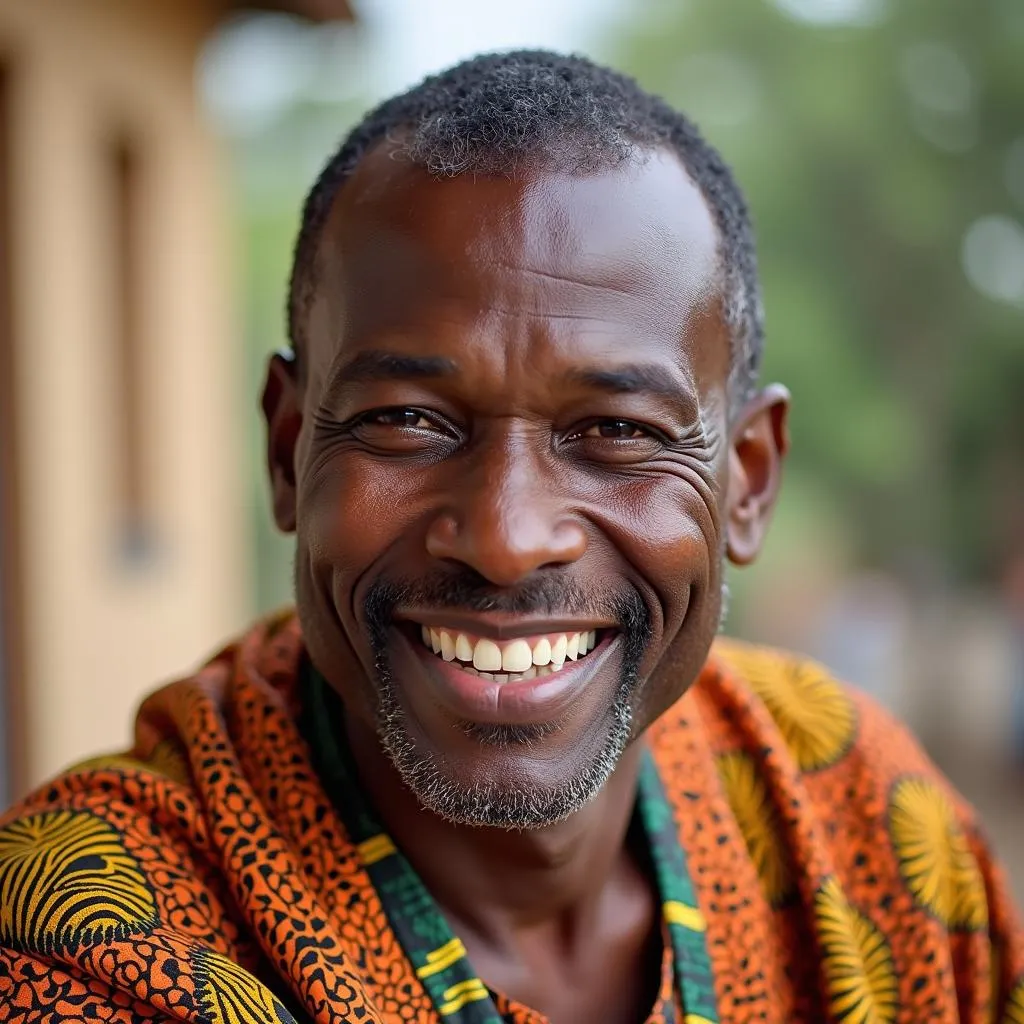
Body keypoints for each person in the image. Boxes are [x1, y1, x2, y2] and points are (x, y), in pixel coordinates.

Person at [0, 50, 1021, 1024]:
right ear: (285, 450)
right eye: (407, 419)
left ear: (747, 481)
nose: (505, 536)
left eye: (616, 432)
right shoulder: (90, 945)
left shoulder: (858, 821)